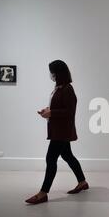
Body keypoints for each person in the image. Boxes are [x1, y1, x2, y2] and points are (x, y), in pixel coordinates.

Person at [25, 60, 88, 205]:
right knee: (68, 155)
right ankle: (82, 182)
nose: (50, 75)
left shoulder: (67, 89)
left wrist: (51, 113)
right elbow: (59, 107)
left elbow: (70, 111)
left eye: (52, 72)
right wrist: (47, 111)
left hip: (62, 132)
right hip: (58, 130)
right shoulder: (59, 88)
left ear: (58, 73)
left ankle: (43, 193)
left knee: (50, 159)